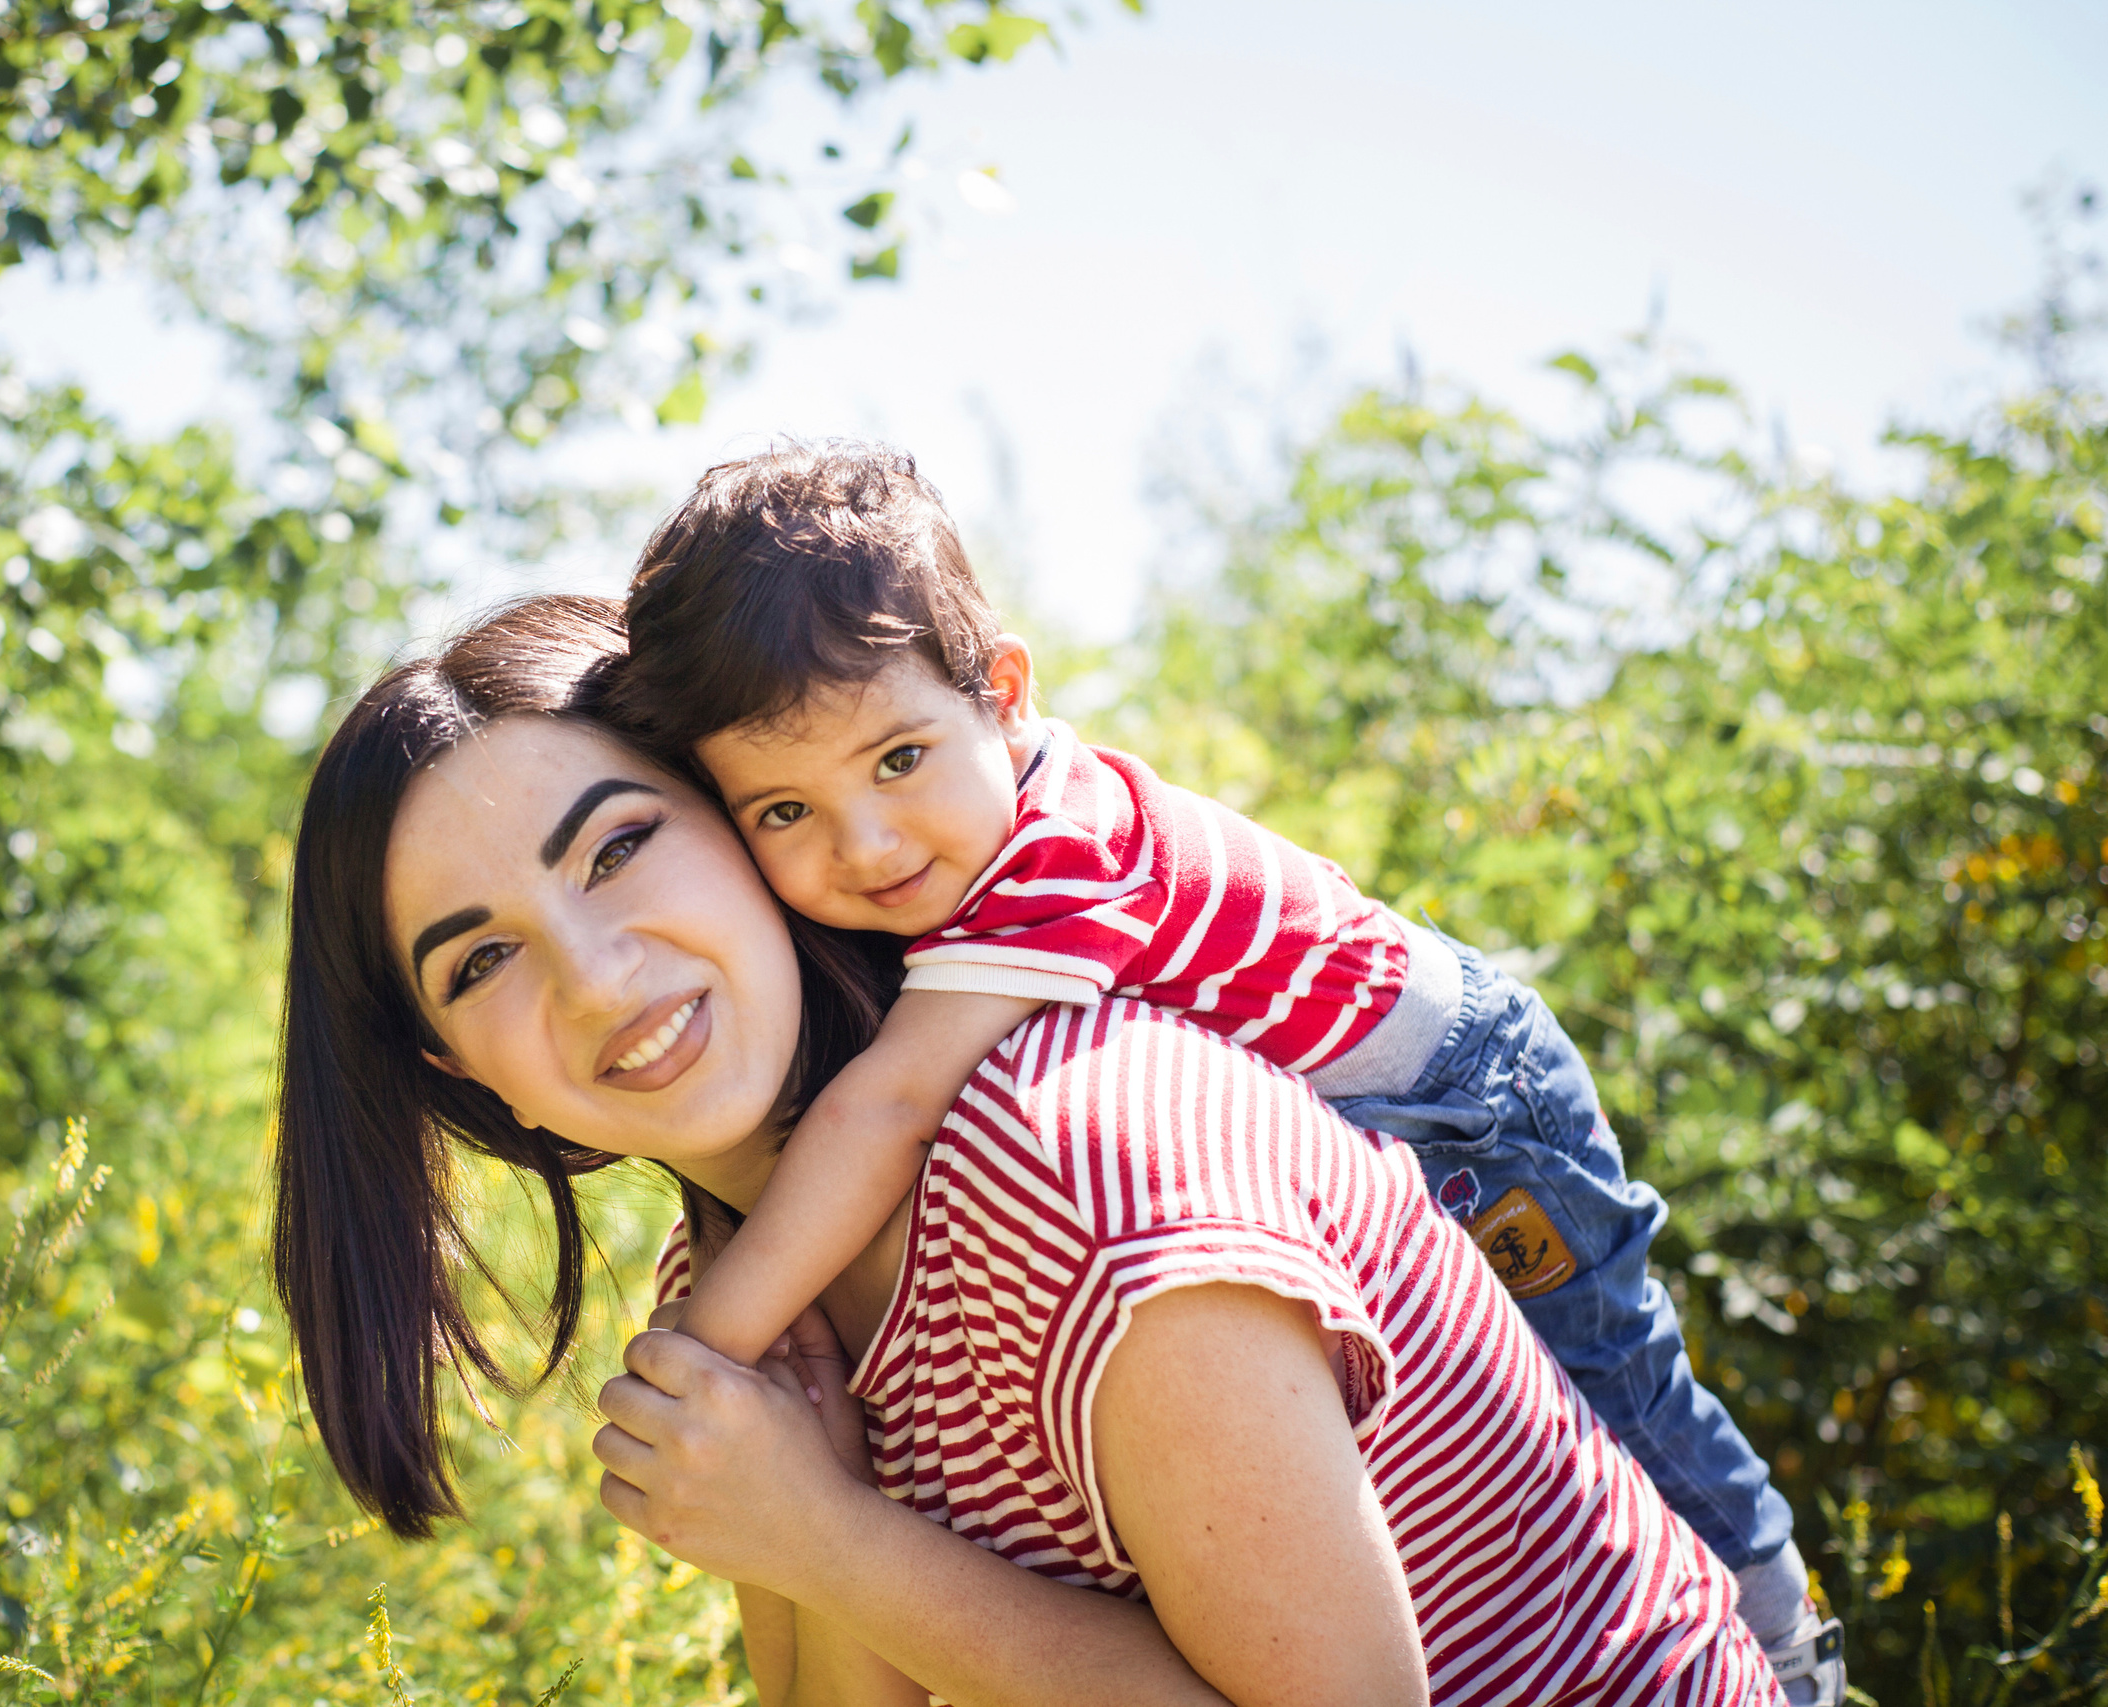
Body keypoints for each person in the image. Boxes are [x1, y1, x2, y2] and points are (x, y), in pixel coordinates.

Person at [271, 593, 1789, 1706]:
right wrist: (813, 1529)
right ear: (463, 1076)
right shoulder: (733, 1280)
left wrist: (834, 1541)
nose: (597, 976)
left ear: (751, 823)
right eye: (481, 965)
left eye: (619, 845)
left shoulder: (1081, 1164)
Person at [609, 442, 1837, 1700]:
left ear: (1005, 691)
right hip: (1367, 1086)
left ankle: (1782, 1646)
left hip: (1455, 1096)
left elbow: (893, 1104)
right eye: (783, 814)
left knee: (1615, 1391)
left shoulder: (1046, 864)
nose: (863, 844)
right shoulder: (957, 862)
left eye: (897, 761)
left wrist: (705, 1351)